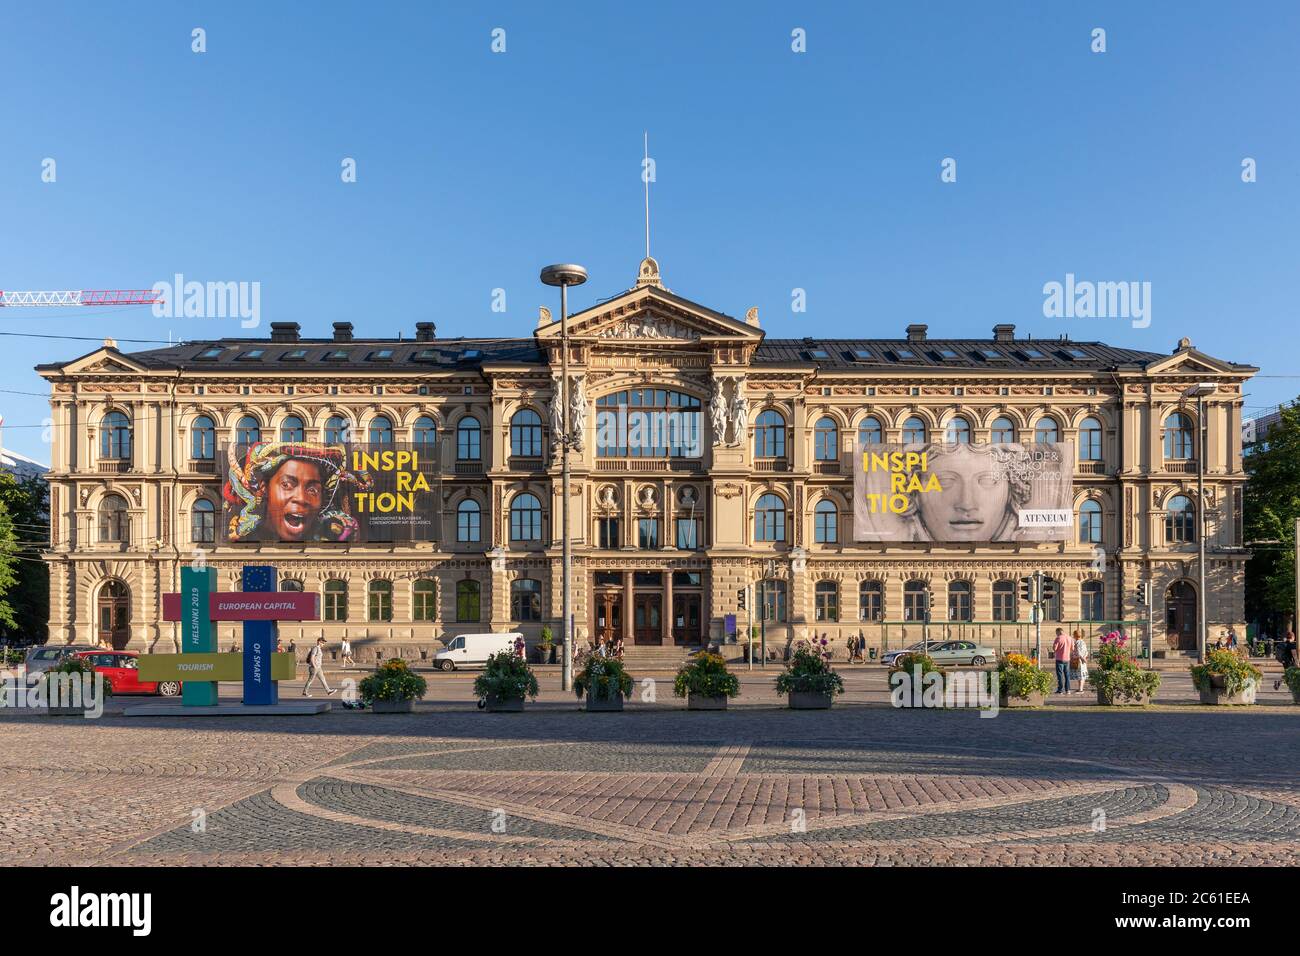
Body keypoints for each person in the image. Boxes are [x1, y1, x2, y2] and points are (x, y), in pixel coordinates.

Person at [223, 441, 370, 543]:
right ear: (264, 488)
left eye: (312, 490)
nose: (301, 499)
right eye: (287, 484)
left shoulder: (335, 533)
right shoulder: (241, 531)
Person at [1051, 627, 1072, 695]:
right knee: (1067, 675)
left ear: (1058, 632)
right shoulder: (1069, 638)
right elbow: (1073, 648)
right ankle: (1068, 690)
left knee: (1060, 675)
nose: (1056, 634)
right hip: (1067, 659)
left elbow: (1054, 648)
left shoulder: (1058, 638)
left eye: (1056, 633)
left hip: (1059, 659)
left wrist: (1056, 650)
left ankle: (1060, 690)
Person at [1073, 629, 1090, 695]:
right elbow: (1086, 651)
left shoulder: (1078, 642)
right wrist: (1085, 657)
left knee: (1080, 675)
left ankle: (1080, 689)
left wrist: (1082, 658)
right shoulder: (1083, 642)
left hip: (1079, 660)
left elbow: (1078, 652)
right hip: (1082, 660)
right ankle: (1080, 688)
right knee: (1082, 675)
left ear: (1075, 635)